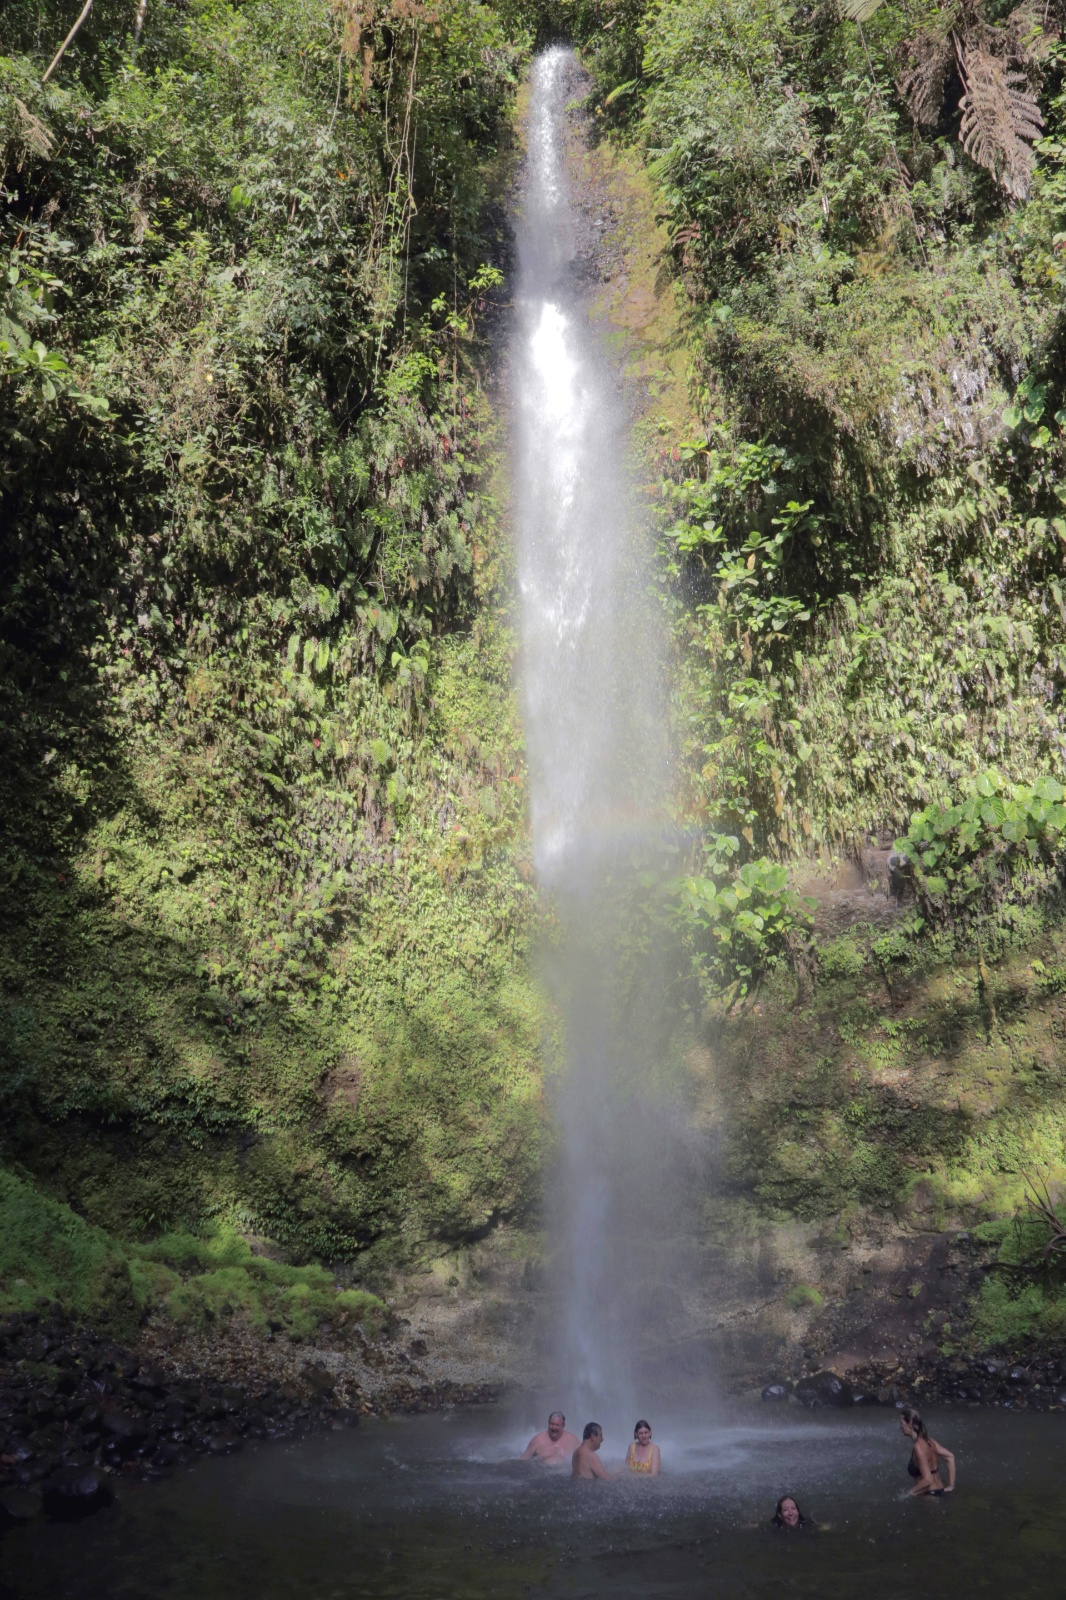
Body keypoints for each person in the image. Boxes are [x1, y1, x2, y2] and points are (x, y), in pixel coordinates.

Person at [899, 1407, 955, 1496]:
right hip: (940, 1491)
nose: (900, 1426)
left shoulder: (918, 1446)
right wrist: (951, 1485)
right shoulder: (929, 1441)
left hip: (929, 1496)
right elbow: (950, 1457)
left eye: (901, 1423)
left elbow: (928, 1480)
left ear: (910, 1424)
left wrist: (909, 1494)